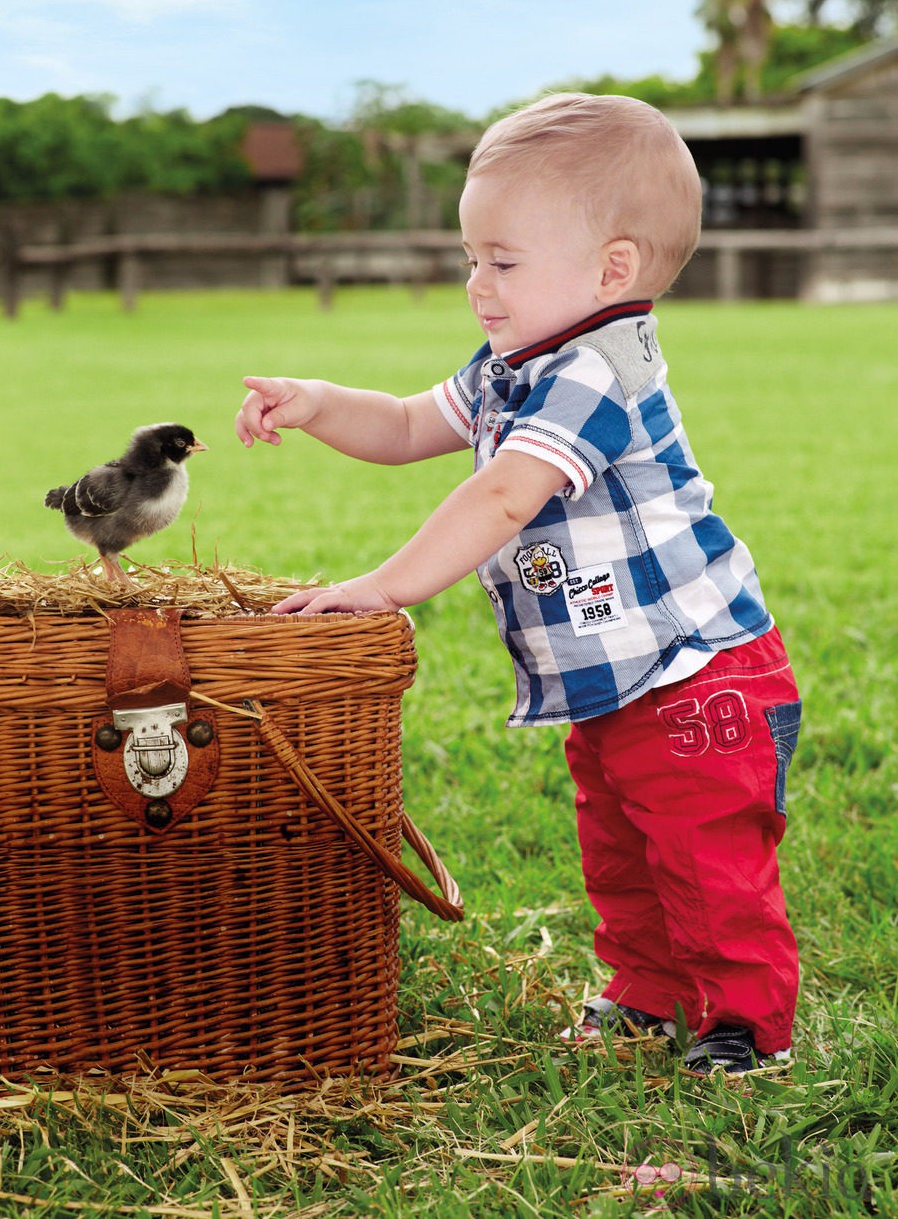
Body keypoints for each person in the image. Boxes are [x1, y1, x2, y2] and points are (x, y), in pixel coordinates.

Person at [235, 93, 803, 1077]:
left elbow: (503, 496)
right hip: (618, 680)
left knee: (705, 859)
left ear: (609, 268)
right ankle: (646, 992)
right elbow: (414, 423)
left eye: (502, 261)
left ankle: (745, 1026)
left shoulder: (593, 373)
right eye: (470, 258)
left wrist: (384, 584)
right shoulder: (514, 362)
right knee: (621, 850)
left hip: (693, 678)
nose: (475, 284)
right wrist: (321, 403)